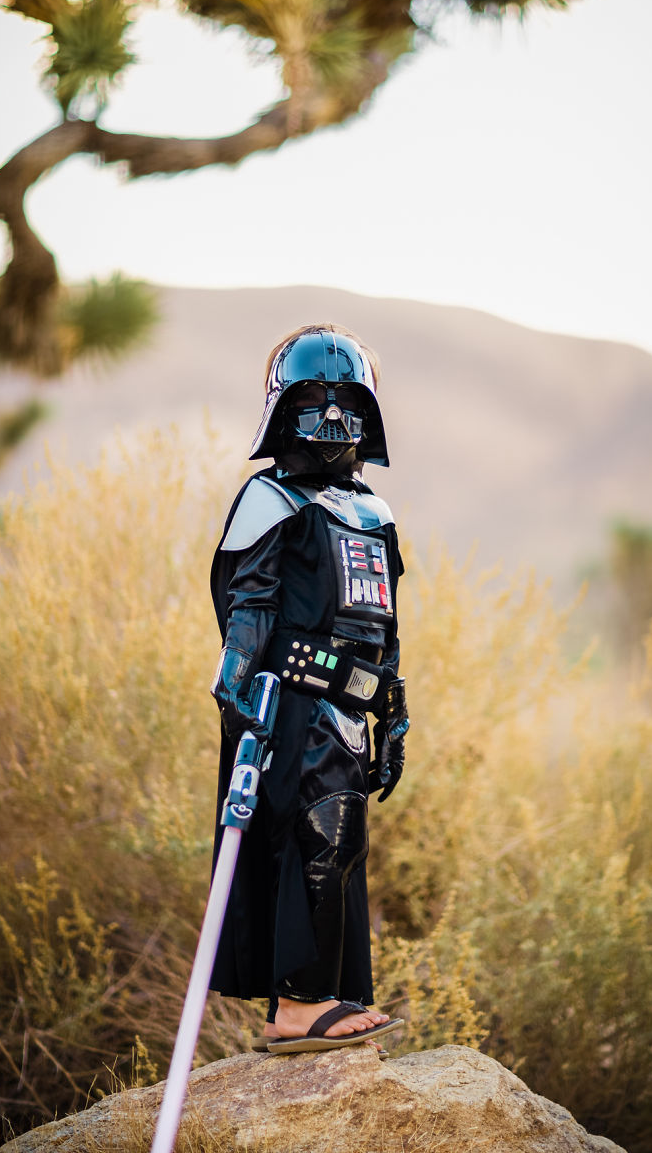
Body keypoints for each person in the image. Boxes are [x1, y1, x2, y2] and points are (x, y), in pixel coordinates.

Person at [209, 324, 410, 1054]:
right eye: (313, 402)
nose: (331, 420)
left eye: (346, 403)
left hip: (356, 704)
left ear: (370, 412)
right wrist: (236, 690)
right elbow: (250, 603)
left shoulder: (373, 512)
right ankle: (298, 1006)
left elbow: (384, 619)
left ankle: (327, 992)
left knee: (343, 842)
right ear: (282, 409)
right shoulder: (269, 498)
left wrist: (394, 711)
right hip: (294, 698)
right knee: (318, 836)